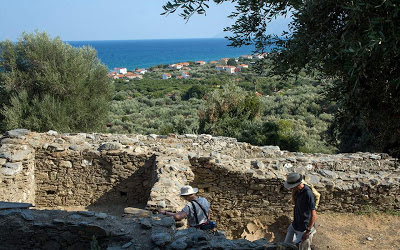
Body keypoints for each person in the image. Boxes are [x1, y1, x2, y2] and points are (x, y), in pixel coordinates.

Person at [284, 173, 317, 250]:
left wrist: (308, 231)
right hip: (295, 224)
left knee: (303, 248)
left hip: (304, 227)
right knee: (285, 245)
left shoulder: (308, 194)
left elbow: (313, 214)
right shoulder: (296, 192)